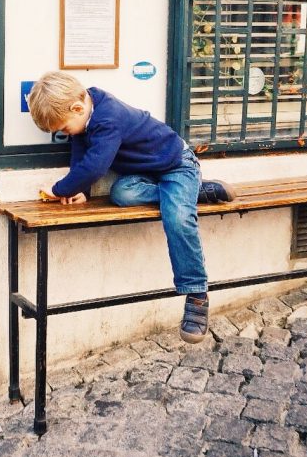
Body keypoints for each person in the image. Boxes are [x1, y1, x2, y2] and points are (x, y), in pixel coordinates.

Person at [25, 71, 237, 344]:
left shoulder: (108, 116)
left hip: (177, 164)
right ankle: (199, 192)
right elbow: (81, 151)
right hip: (144, 175)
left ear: (77, 108)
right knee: (121, 193)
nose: (65, 134)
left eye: (63, 128)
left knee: (178, 217)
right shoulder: (86, 109)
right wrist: (82, 190)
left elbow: (96, 165)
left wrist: (58, 189)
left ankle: (196, 292)